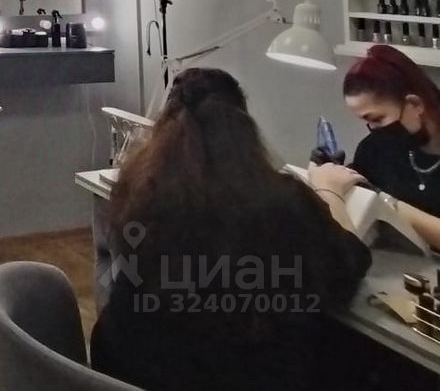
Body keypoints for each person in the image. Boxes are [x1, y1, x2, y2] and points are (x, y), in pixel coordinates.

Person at [91, 68, 371, 391]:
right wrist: (330, 191)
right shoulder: (282, 202)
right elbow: (348, 266)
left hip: (125, 366)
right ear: (244, 129)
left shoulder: (137, 192)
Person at [343, 44, 440, 246]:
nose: (373, 129)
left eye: (377, 119)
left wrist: (389, 205)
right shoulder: (374, 151)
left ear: (415, 104)